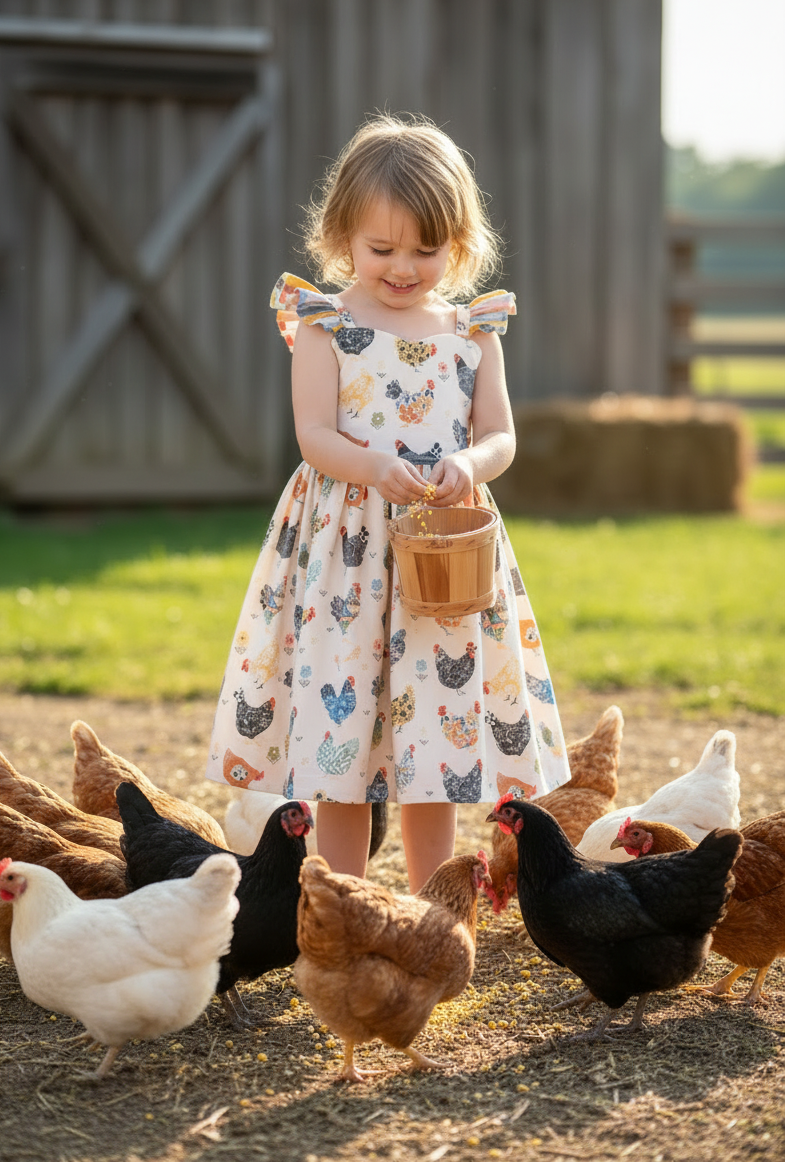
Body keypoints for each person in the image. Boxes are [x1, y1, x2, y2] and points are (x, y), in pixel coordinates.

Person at [206, 114, 569, 891]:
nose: (404, 268)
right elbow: (314, 435)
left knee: (437, 732)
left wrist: (469, 462)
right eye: (382, 249)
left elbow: (500, 435)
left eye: (426, 251)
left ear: (459, 244)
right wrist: (374, 466)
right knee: (346, 745)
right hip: (347, 554)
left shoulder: (472, 331)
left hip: (443, 553)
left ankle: (432, 908)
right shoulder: (326, 325)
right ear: (343, 236)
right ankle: (343, 903)